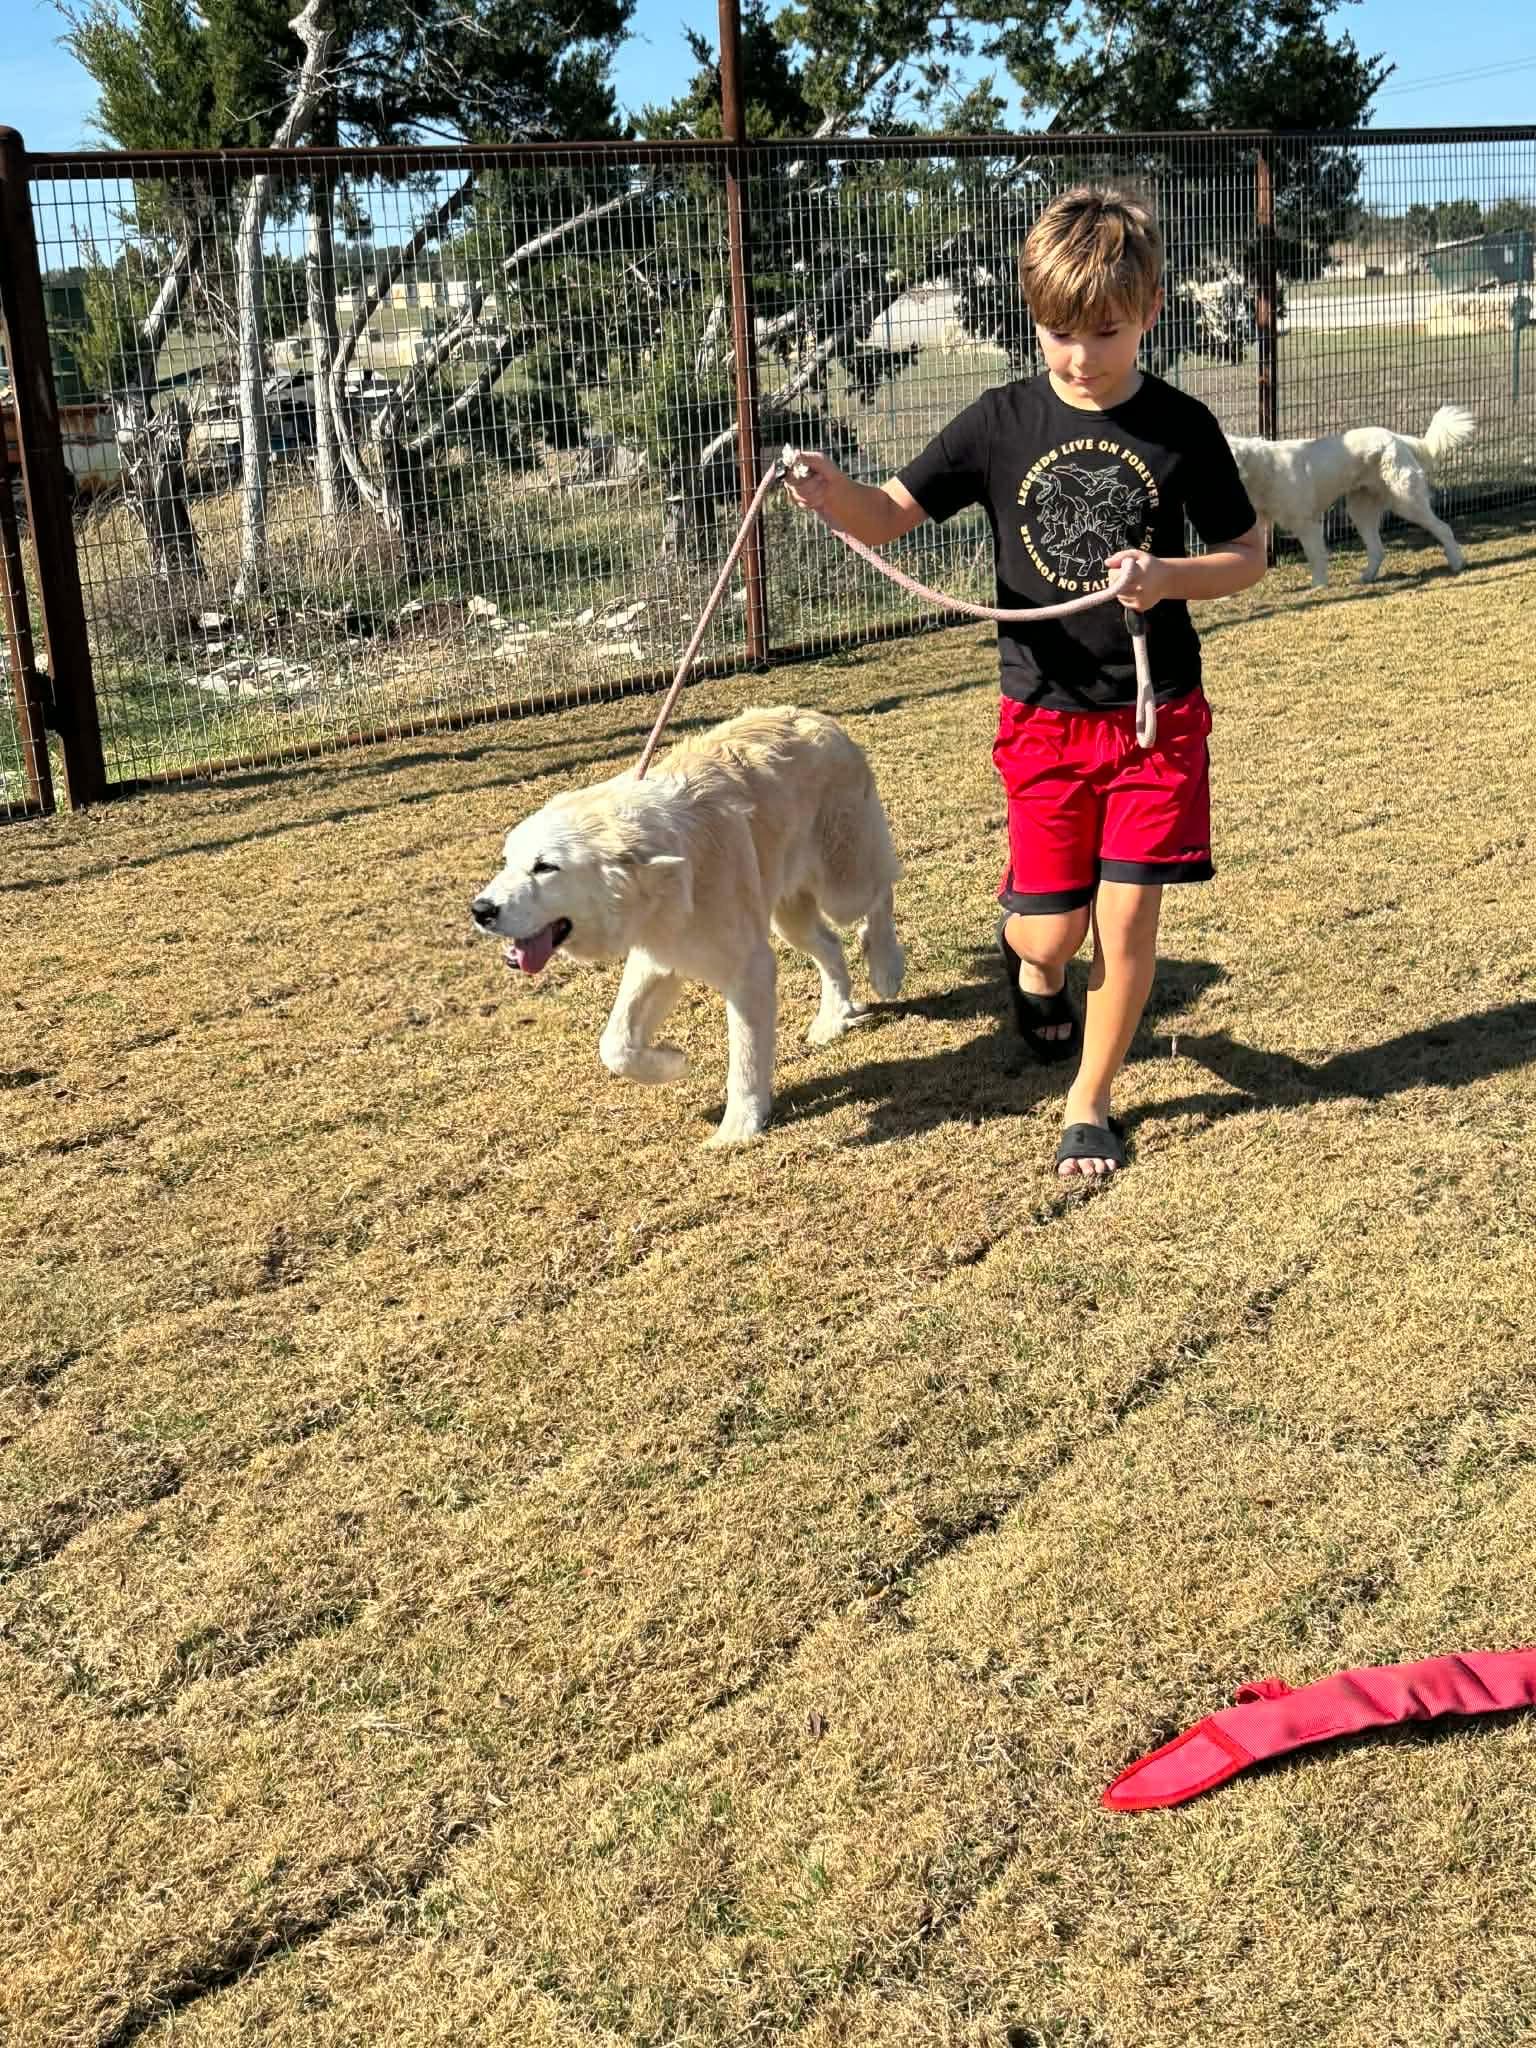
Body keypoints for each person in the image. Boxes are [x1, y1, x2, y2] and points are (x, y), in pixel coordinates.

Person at [786, 183, 1266, 1179]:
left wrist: (1165, 577)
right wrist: (832, 494)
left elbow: (1248, 555)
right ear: (1033, 315)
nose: (1081, 355)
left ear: (1151, 310)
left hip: (1155, 716)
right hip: (1044, 718)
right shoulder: (1000, 420)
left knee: (1126, 919)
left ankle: (1089, 1102)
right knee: (1052, 933)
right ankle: (1034, 967)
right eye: (1060, 331)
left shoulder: (1182, 426)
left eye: (1106, 331)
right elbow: (887, 515)